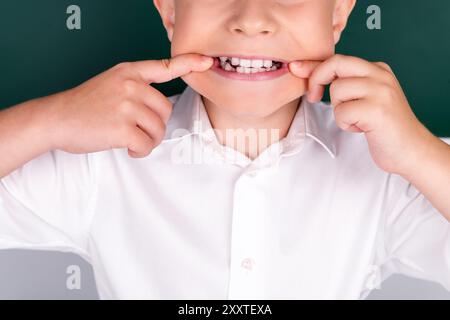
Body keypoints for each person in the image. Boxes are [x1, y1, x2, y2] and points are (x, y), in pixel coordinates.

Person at [0, 0, 449, 299]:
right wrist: (51, 118)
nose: (251, 19)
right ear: (171, 11)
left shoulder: (388, 165)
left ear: (337, 14)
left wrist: (419, 152)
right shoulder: (99, 159)